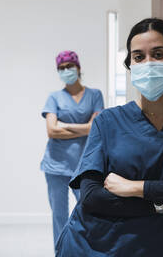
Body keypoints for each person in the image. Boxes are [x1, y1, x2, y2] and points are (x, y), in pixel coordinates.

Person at [56, 19, 163, 257]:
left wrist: (135, 187)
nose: (148, 63)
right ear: (129, 64)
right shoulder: (108, 122)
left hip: (159, 248)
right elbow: (92, 198)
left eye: (158, 54)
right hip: (90, 247)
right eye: (138, 57)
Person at [41, 50, 104, 247]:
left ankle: (84, 250)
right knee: (59, 215)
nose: (66, 70)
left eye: (69, 66)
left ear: (78, 68)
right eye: (61, 68)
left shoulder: (94, 95)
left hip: (84, 166)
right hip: (55, 165)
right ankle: (62, 250)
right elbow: (51, 131)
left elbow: (95, 128)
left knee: (87, 210)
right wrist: (84, 129)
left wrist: (65, 125)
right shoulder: (54, 97)